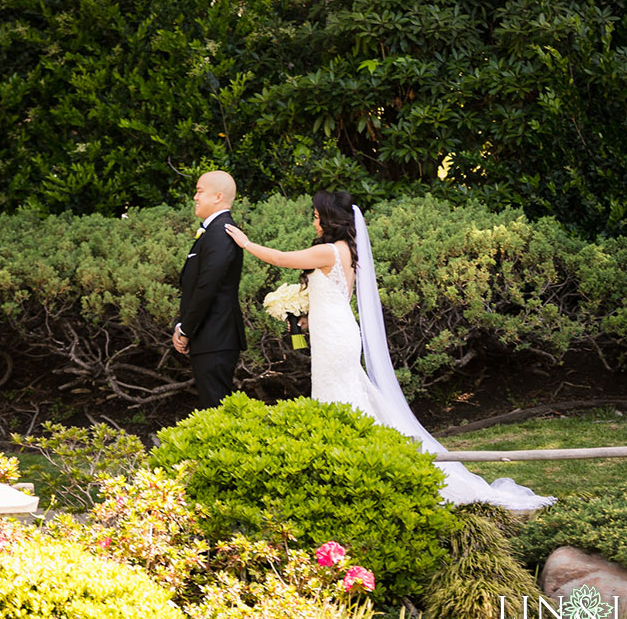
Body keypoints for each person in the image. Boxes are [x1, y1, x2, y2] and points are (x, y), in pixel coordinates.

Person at [225, 190, 554, 509]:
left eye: (316, 216)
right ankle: (354, 463)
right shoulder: (344, 250)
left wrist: (246, 243)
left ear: (330, 219)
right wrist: (306, 321)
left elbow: (281, 259)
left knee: (341, 396)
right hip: (332, 331)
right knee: (343, 394)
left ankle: (360, 465)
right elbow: (335, 297)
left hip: (337, 337)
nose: (313, 222)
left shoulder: (330, 251)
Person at [174, 170, 245, 409]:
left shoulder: (221, 233)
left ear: (218, 197)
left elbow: (207, 287)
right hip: (211, 336)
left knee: (214, 408)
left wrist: (185, 329)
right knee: (210, 406)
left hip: (216, 335)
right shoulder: (213, 232)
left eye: (199, 191)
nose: (195, 197)